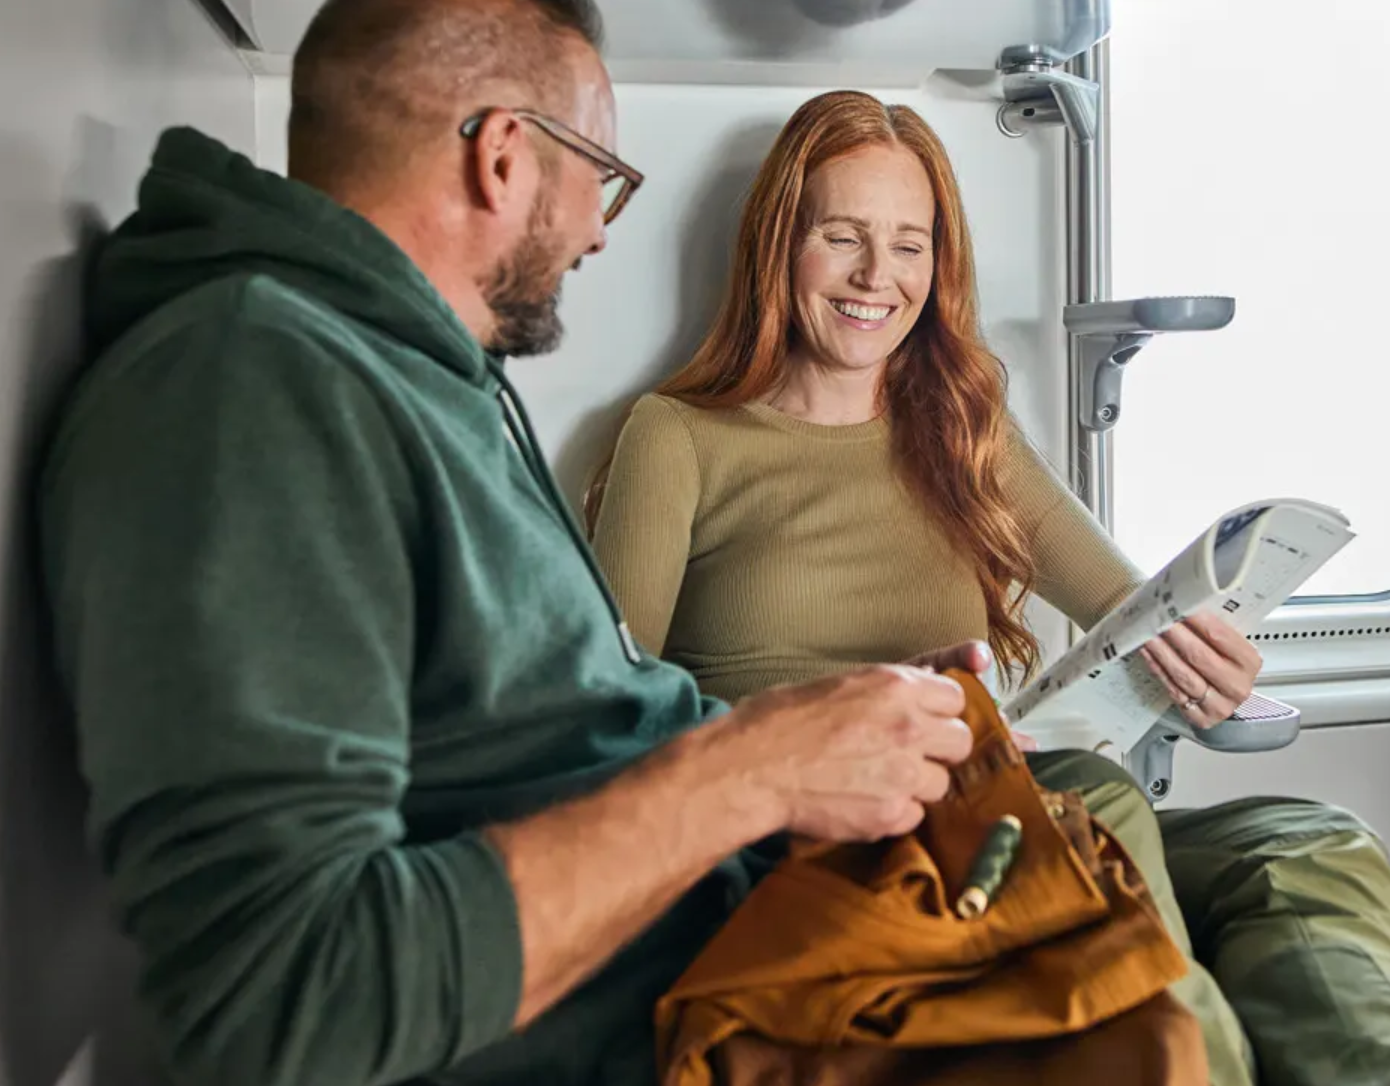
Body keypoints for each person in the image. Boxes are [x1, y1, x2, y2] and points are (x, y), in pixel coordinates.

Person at [36, 4, 1005, 1086]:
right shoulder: (249, 387)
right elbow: (282, 1002)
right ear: (504, 158)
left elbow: (568, 731)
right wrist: (749, 773)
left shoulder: (413, 380)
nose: (599, 228)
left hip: (746, 939)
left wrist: (831, 746)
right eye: (600, 172)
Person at [587, 90, 1390, 1086]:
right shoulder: (679, 435)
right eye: (844, 237)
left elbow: (1142, 614)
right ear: (781, 244)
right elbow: (605, 725)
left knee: (1304, 846)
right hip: (823, 843)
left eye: (912, 246)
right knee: (1090, 807)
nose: (879, 277)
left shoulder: (963, 428)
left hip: (991, 801)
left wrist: (1211, 664)